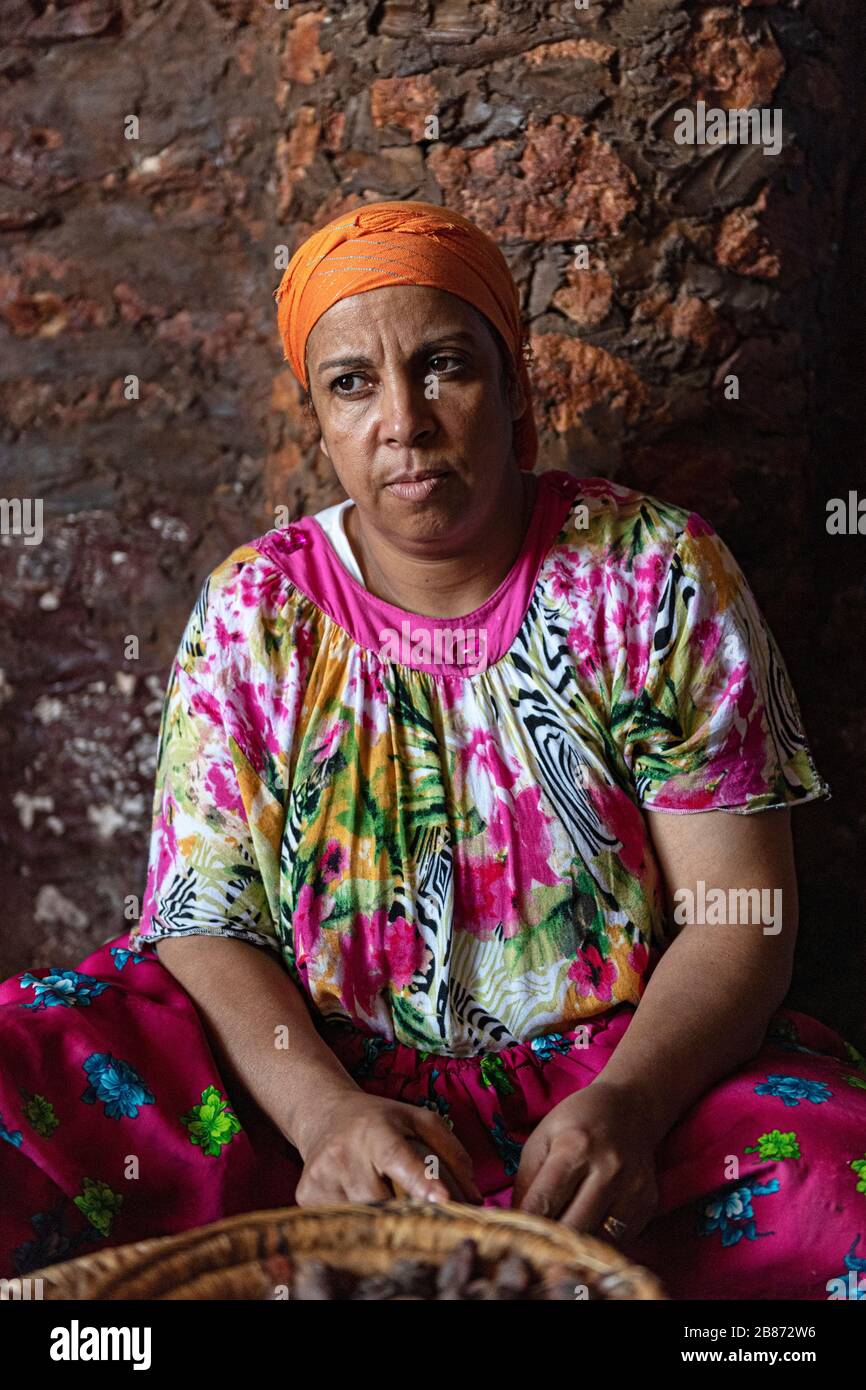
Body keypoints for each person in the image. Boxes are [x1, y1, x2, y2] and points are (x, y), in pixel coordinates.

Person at [1, 200, 864, 1302]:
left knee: (830, 1185)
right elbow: (204, 922)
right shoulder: (257, 608)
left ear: (513, 394)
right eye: (351, 383)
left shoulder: (651, 572)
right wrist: (323, 1118)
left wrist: (631, 1108)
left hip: (612, 1077)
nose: (402, 421)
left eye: (443, 365)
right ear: (319, 420)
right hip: (306, 1072)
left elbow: (737, 915)